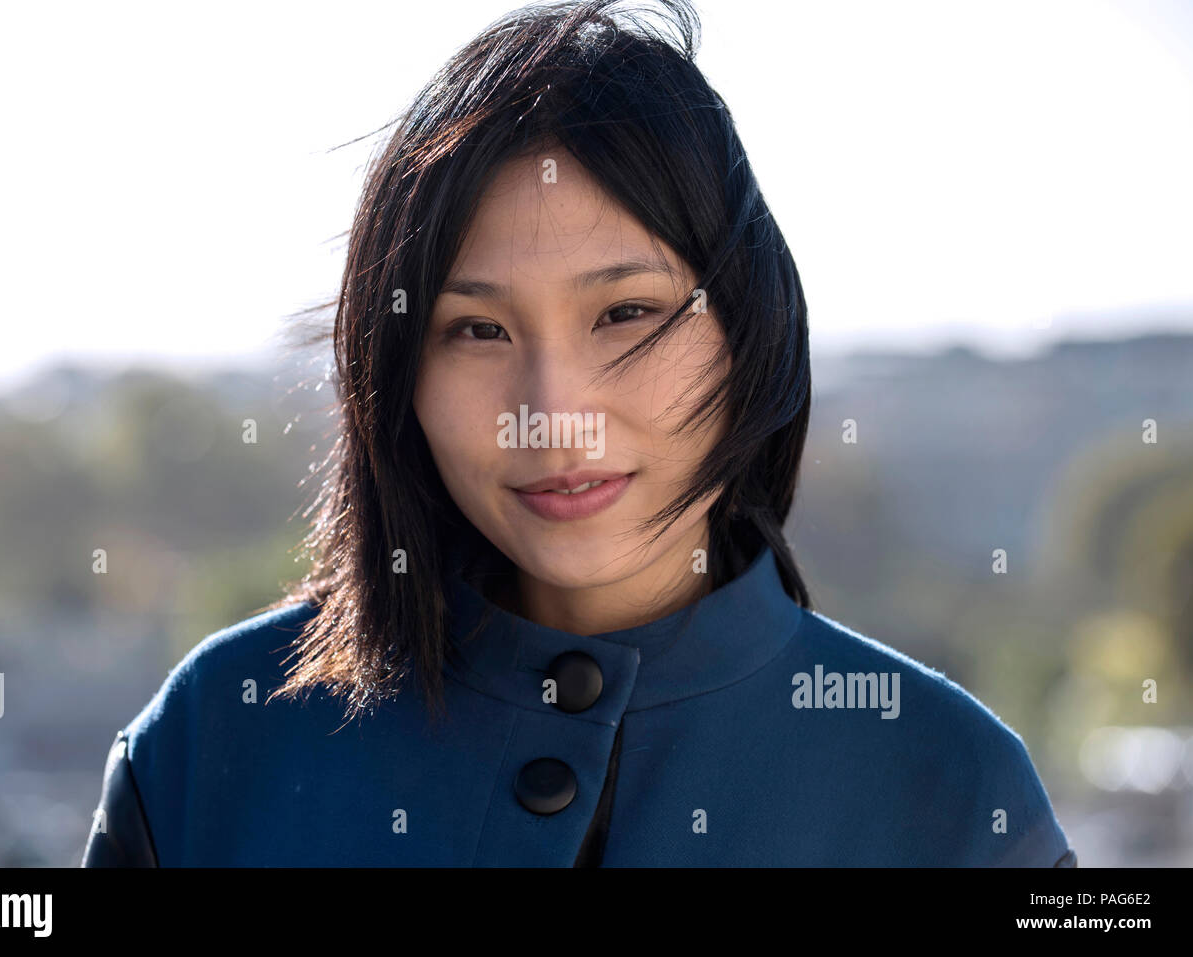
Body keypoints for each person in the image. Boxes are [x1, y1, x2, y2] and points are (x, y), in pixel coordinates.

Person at [82, 0, 1076, 867]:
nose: (552, 410)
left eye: (626, 314)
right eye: (474, 329)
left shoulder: (951, 789)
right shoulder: (215, 738)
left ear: (747, 322)